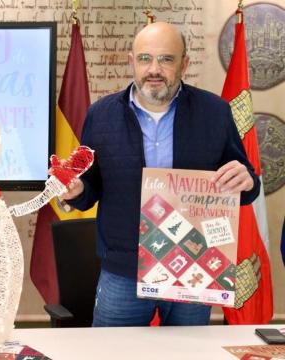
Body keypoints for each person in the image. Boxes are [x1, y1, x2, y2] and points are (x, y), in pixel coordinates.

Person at [58, 22, 260, 326]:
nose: (154, 69)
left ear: (184, 64)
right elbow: (91, 187)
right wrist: (76, 192)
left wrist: (247, 180)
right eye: (144, 59)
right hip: (123, 271)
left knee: (186, 355)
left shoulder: (215, 112)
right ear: (131, 62)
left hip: (193, 270)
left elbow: (245, 184)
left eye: (166, 59)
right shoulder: (100, 115)